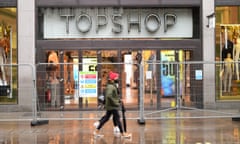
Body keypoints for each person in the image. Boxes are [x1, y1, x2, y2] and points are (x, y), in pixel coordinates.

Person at [93, 71, 131, 138]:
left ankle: (96, 132)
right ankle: (123, 134)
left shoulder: (111, 85)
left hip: (110, 106)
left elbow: (112, 96)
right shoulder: (111, 86)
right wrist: (116, 102)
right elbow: (109, 96)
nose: (117, 78)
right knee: (118, 119)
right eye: (116, 77)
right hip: (112, 106)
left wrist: (118, 100)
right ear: (113, 78)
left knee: (106, 118)